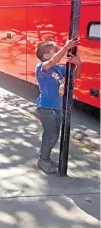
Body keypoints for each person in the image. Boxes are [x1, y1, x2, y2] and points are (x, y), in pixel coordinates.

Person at [35, 37, 82, 174]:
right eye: (54, 51)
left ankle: (45, 158)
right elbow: (53, 60)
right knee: (50, 135)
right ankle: (43, 160)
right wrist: (66, 48)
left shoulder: (58, 69)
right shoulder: (41, 67)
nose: (57, 52)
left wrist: (79, 64)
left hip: (57, 107)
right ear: (46, 55)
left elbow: (75, 76)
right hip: (45, 107)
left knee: (55, 136)